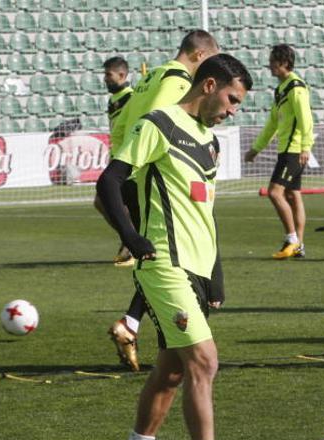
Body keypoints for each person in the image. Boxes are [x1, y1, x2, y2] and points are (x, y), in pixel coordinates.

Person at [96, 53, 269, 440]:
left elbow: (204, 215)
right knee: (205, 361)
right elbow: (110, 182)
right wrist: (132, 239)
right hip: (164, 267)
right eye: (232, 99)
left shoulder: (210, 142)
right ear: (209, 85)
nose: (234, 110)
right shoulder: (159, 124)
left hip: (198, 269)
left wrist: (217, 274)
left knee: (172, 371)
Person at [100, 30, 220, 372]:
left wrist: (122, 160)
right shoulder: (179, 80)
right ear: (199, 56)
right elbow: (162, 124)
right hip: (152, 178)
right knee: (166, 257)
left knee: (158, 255)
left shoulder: (151, 75)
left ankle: (135, 325)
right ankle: (137, 327)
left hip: (133, 171)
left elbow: (127, 124)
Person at [244, 44, 314, 259]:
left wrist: (305, 147)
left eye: (273, 61)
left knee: (275, 192)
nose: (269, 65)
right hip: (286, 150)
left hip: (294, 151)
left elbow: (306, 118)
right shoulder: (281, 89)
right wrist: (256, 148)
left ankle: (292, 238)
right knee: (293, 195)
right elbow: (272, 124)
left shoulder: (295, 87)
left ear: (284, 63)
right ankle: (299, 246)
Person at [99, 56, 136, 267]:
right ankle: (128, 239)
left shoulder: (131, 97)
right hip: (117, 155)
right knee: (104, 202)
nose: (105, 79)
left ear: (122, 75)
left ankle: (131, 244)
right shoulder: (114, 100)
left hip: (128, 157)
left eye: (108, 75)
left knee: (112, 201)